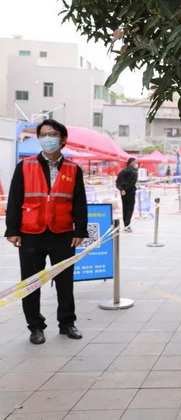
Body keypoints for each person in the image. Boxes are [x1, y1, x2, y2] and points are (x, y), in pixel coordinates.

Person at [4, 119, 88, 345]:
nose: (47, 138)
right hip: (31, 232)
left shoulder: (73, 169)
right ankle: (35, 327)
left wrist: (79, 231)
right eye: (43, 134)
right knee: (30, 283)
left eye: (53, 134)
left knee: (65, 282)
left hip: (62, 233)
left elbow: (80, 202)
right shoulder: (25, 166)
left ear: (63, 139)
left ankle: (67, 323)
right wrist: (12, 230)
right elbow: (14, 199)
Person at [116, 158, 138, 232]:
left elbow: (118, 181)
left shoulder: (122, 171)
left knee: (124, 208)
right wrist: (126, 189)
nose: (136, 164)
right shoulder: (134, 172)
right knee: (130, 208)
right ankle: (127, 224)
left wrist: (121, 189)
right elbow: (132, 183)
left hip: (123, 193)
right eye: (135, 162)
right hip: (130, 192)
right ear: (131, 163)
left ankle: (125, 223)